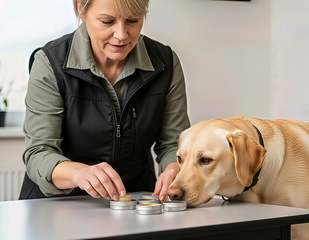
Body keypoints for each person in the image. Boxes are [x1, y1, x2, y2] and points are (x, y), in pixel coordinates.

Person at [19, 0, 189, 202]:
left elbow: (174, 144)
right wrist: (79, 174)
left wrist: (174, 168)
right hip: (55, 205)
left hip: (135, 202)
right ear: (81, 9)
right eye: (107, 21)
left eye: (133, 20)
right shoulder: (49, 63)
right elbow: (39, 152)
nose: (121, 34)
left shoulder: (166, 64)